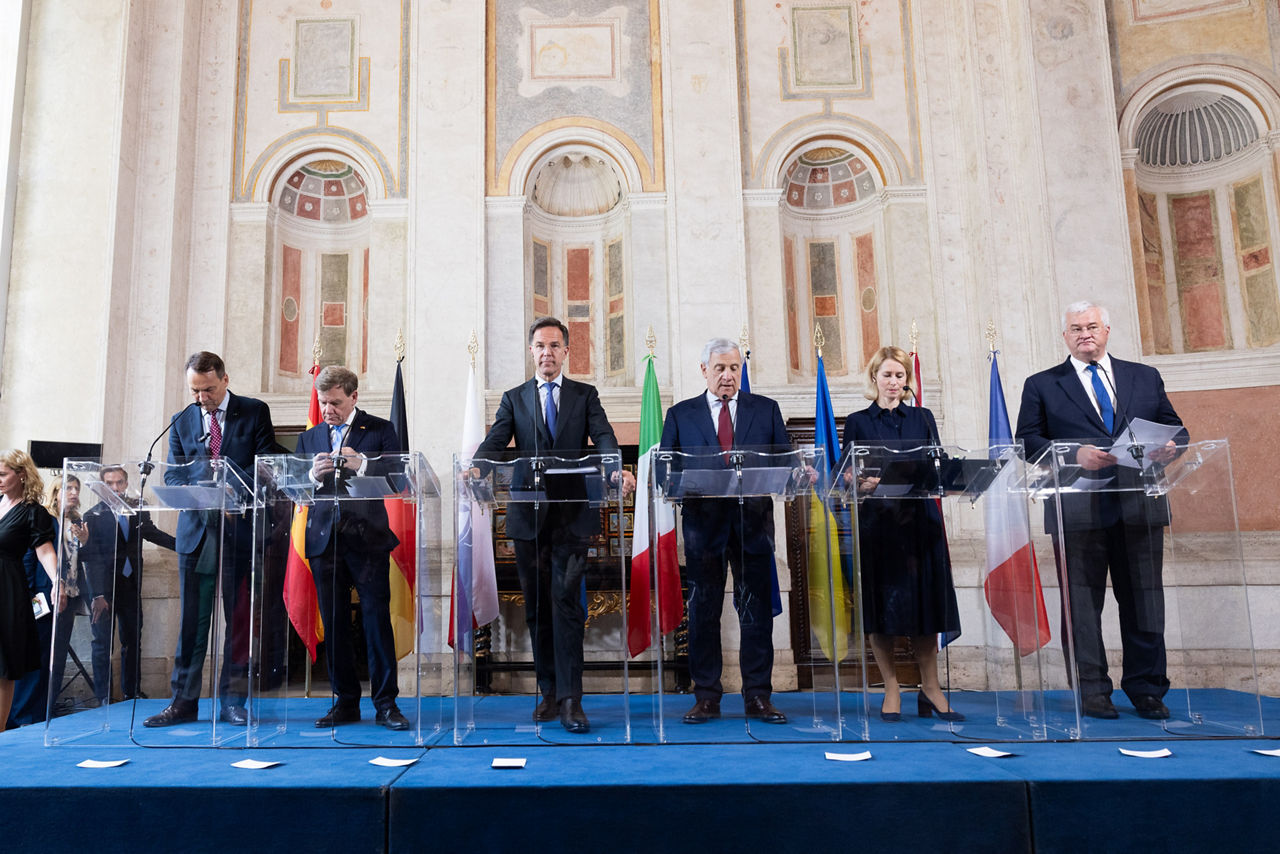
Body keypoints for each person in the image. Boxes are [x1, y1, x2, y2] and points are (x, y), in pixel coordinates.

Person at [1015, 301, 1187, 720]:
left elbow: (1176, 428)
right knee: (1082, 606)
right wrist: (1075, 453)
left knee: (1144, 601)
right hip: (1077, 508)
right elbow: (1027, 442)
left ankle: (1147, 689)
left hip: (1138, 504)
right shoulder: (1042, 384)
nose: (1084, 334)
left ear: (1107, 330)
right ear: (1065, 337)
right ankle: (1092, 690)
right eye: (1075, 328)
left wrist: (1170, 447)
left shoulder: (1142, 377)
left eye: (1091, 326)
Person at [473, 317, 634, 734]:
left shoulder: (585, 395)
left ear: (566, 351)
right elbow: (495, 441)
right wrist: (475, 467)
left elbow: (603, 438)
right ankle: (547, 691)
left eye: (555, 346)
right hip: (528, 519)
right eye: (540, 346)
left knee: (566, 607)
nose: (547, 353)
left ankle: (571, 700)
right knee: (538, 611)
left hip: (572, 518)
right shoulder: (514, 398)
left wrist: (615, 469)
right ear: (532, 352)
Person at [659, 337, 792, 726]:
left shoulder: (765, 410)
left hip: (752, 524)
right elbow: (667, 473)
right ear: (704, 371)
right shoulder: (681, 415)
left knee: (755, 614)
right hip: (703, 528)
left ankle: (758, 696)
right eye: (720, 368)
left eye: (734, 368)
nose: (728, 376)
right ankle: (706, 697)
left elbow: (783, 462)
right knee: (703, 611)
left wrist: (801, 471)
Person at [145, 351, 277, 728]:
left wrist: (232, 489)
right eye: (195, 391)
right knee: (191, 625)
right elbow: (173, 477)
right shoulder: (181, 421)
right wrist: (201, 491)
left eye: (208, 390)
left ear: (225, 379)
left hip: (239, 531)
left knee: (238, 623)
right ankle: (183, 702)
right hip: (197, 535)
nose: (202, 398)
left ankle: (233, 702)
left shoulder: (254, 412)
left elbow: (266, 465)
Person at [842, 346, 963, 722]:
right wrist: (858, 481)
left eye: (899, 376)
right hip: (879, 526)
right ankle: (891, 687)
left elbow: (938, 464)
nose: (893, 382)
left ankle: (930, 688)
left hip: (920, 524)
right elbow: (847, 471)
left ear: (906, 380)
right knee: (882, 612)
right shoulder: (858, 421)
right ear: (874, 378)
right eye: (887, 375)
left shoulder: (923, 418)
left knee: (926, 609)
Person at [297, 365, 410, 731]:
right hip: (323, 540)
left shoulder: (379, 430)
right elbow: (294, 486)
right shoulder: (311, 437)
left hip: (366, 539)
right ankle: (345, 702)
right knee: (334, 624)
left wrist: (363, 466)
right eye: (323, 402)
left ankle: (386, 704)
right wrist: (313, 475)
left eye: (335, 402)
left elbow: (398, 479)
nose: (327, 409)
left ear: (354, 397)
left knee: (376, 621)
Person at [83, 466, 175, 705]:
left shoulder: (137, 507)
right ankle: (103, 696)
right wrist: (97, 594)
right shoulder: (92, 515)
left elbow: (152, 533)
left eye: (119, 483)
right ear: (102, 486)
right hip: (104, 590)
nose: (115, 488)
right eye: (109, 483)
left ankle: (132, 692)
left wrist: (184, 546)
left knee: (132, 641)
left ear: (126, 483)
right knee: (102, 643)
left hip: (131, 585)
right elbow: (91, 559)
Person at [0, 450, 59, 728]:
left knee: (4, 667)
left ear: (21, 475)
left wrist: (59, 582)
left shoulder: (33, 512)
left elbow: (45, 552)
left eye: (3, 474)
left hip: (8, 588)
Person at [47, 476, 90, 713]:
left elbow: (83, 559)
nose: (74, 492)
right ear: (55, 493)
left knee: (60, 651)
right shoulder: (47, 518)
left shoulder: (78, 521)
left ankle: (50, 703)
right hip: (49, 593)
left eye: (77, 488)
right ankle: (36, 704)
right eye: (68, 488)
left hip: (71, 595)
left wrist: (85, 541)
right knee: (44, 650)